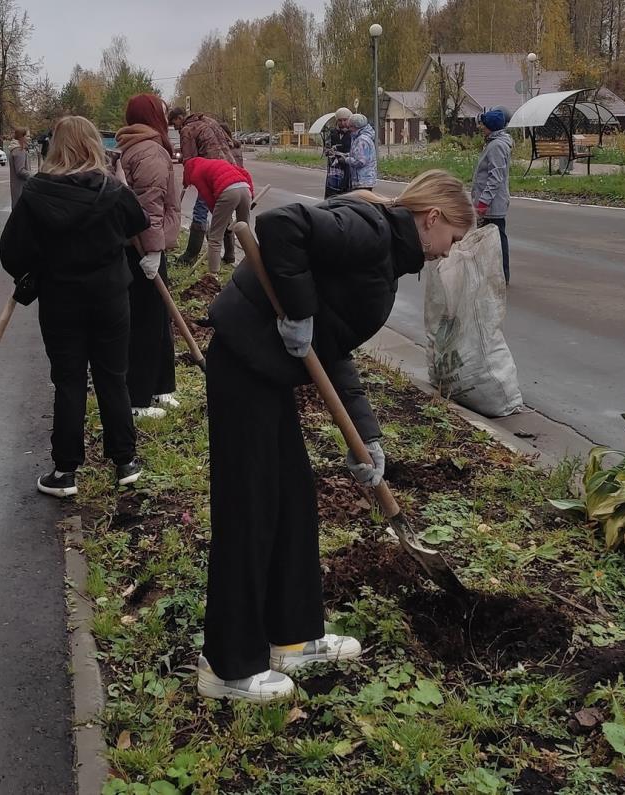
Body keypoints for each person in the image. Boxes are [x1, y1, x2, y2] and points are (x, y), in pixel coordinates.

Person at [196, 170, 474, 701]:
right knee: (250, 507)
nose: (448, 251)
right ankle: (227, 666)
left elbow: (334, 346)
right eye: (453, 239)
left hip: (269, 371)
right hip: (243, 363)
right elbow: (280, 227)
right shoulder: (372, 229)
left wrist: (364, 437)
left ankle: (292, 637)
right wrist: (298, 311)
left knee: (294, 499)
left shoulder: (389, 255)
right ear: (433, 218)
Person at [0, 116, 150, 498]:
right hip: (111, 299)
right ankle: (125, 462)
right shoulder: (113, 191)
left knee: (68, 381)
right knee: (112, 376)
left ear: (56, 146)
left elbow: (11, 253)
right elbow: (139, 224)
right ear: (94, 145)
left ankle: (65, 471)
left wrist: (34, 268)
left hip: (61, 300)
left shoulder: (37, 194)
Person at [117, 94, 182, 419]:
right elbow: (150, 206)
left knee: (158, 321)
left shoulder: (137, 146)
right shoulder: (149, 150)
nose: (168, 119)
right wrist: (154, 250)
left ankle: (160, 388)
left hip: (144, 247)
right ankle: (137, 399)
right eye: (163, 112)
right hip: (142, 250)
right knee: (145, 323)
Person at [169, 108, 238, 265]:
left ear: (180, 118)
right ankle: (230, 255)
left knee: (200, 211)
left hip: (210, 174)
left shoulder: (187, 129)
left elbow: (189, 159)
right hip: (229, 170)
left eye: (174, 123)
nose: (175, 128)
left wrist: (188, 181)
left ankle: (190, 255)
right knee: (223, 212)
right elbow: (230, 142)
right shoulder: (210, 120)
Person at [182, 156, 253, 275]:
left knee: (215, 237)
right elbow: (244, 172)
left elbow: (208, 198)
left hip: (228, 192)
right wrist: (252, 193)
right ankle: (253, 267)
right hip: (245, 189)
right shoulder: (216, 162)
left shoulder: (195, 173)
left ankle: (213, 275)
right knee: (245, 234)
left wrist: (220, 218)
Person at [472, 107, 513, 284]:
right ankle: (492, 274)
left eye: (484, 125)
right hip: (490, 203)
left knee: (496, 240)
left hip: (492, 205)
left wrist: (483, 203)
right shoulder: (494, 143)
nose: (481, 127)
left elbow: (495, 177)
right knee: (490, 240)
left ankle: (501, 275)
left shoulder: (496, 146)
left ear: (491, 127)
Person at [338, 113, 378, 191]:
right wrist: (346, 155)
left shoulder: (362, 140)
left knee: (361, 202)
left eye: (350, 127)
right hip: (365, 179)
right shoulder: (361, 137)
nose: (349, 129)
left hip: (362, 181)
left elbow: (360, 161)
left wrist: (346, 160)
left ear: (356, 127)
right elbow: (359, 154)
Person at [323, 108, 353, 199]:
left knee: (346, 194)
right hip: (334, 169)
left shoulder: (354, 133)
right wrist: (329, 151)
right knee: (331, 193)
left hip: (348, 169)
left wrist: (345, 156)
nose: (342, 123)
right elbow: (326, 148)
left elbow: (357, 151)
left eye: (345, 120)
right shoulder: (332, 133)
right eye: (340, 120)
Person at [8, 126, 32, 208]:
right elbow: (20, 171)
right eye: (27, 136)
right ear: (21, 136)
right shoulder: (19, 150)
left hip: (18, 186)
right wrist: (33, 177)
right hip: (21, 187)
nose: (29, 138)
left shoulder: (17, 149)